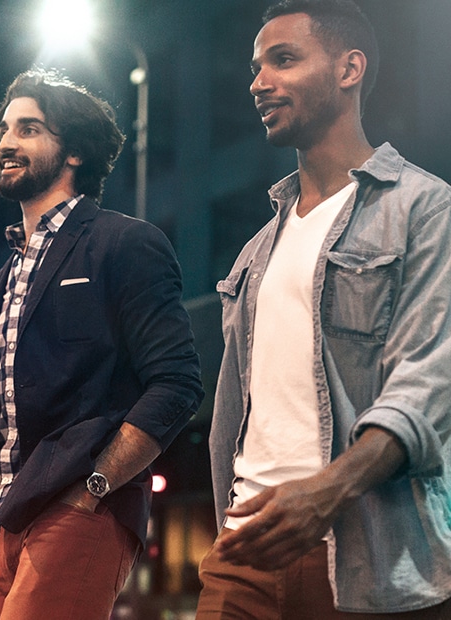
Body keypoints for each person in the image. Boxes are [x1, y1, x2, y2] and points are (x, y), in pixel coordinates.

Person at [0, 68, 204, 619]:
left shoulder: (124, 243)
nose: (6, 143)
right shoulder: (5, 278)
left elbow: (177, 383)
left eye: (29, 129)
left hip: (74, 513)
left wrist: (95, 488)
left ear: (73, 150)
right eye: (5, 129)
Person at [196, 0, 451, 617]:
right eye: (256, 66)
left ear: (349, 68)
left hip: (371, 554)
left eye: (283, 60)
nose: (259, 82)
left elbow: (429, 380)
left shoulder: (422, 206)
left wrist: (327, 491)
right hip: (244, 551)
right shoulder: (256, 251)